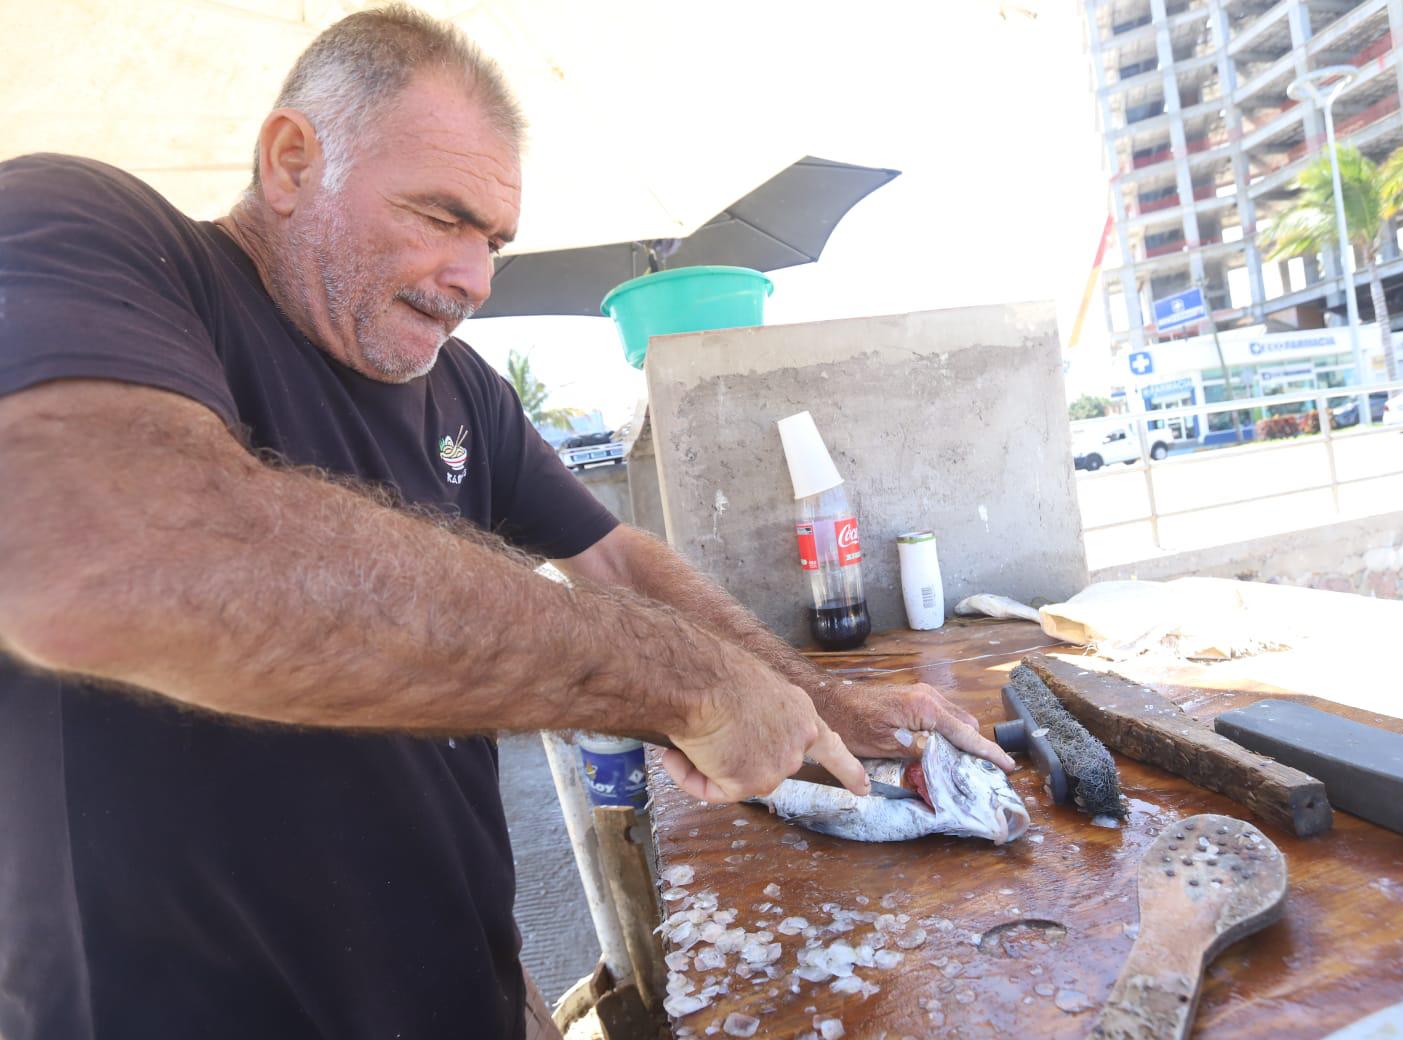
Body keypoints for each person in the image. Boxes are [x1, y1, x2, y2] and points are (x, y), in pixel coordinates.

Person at [0, 7, 1014, 1039]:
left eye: (493, 240)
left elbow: (614, 554)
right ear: (293, 160)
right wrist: (683, 678)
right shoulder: (86, 233)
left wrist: (816, 698)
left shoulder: (466, 391)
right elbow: (110, 554)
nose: (475, 280)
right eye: (442, 218)